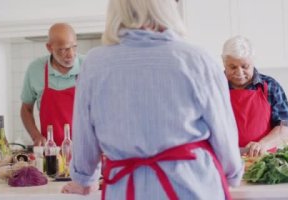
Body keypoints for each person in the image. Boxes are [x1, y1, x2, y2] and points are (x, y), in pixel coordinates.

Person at [61, 0, 243, 199]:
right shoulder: (197, 59)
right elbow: (223, 133)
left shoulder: (94, 64)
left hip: (126, 189)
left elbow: (84, 136)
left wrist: (84, 179)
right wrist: (232, 174)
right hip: (191, 187)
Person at [222, 35, 288, 157]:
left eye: (245, 66)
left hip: (264, 161)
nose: (239, 73)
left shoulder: (270, 86)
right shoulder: (213, 87)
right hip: (224, 159)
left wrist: (262, 144)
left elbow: (284, 127)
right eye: (232, 67)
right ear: (224, 63)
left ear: (253, 61)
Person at [20, 23, 83, 146]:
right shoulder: (35, 69)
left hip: (85, 149)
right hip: (51, 152)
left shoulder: (89, 65)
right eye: (63, 49)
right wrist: (36, 136)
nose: (71, 54)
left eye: (74, 47)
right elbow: (26, 109)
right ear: (49, 47)